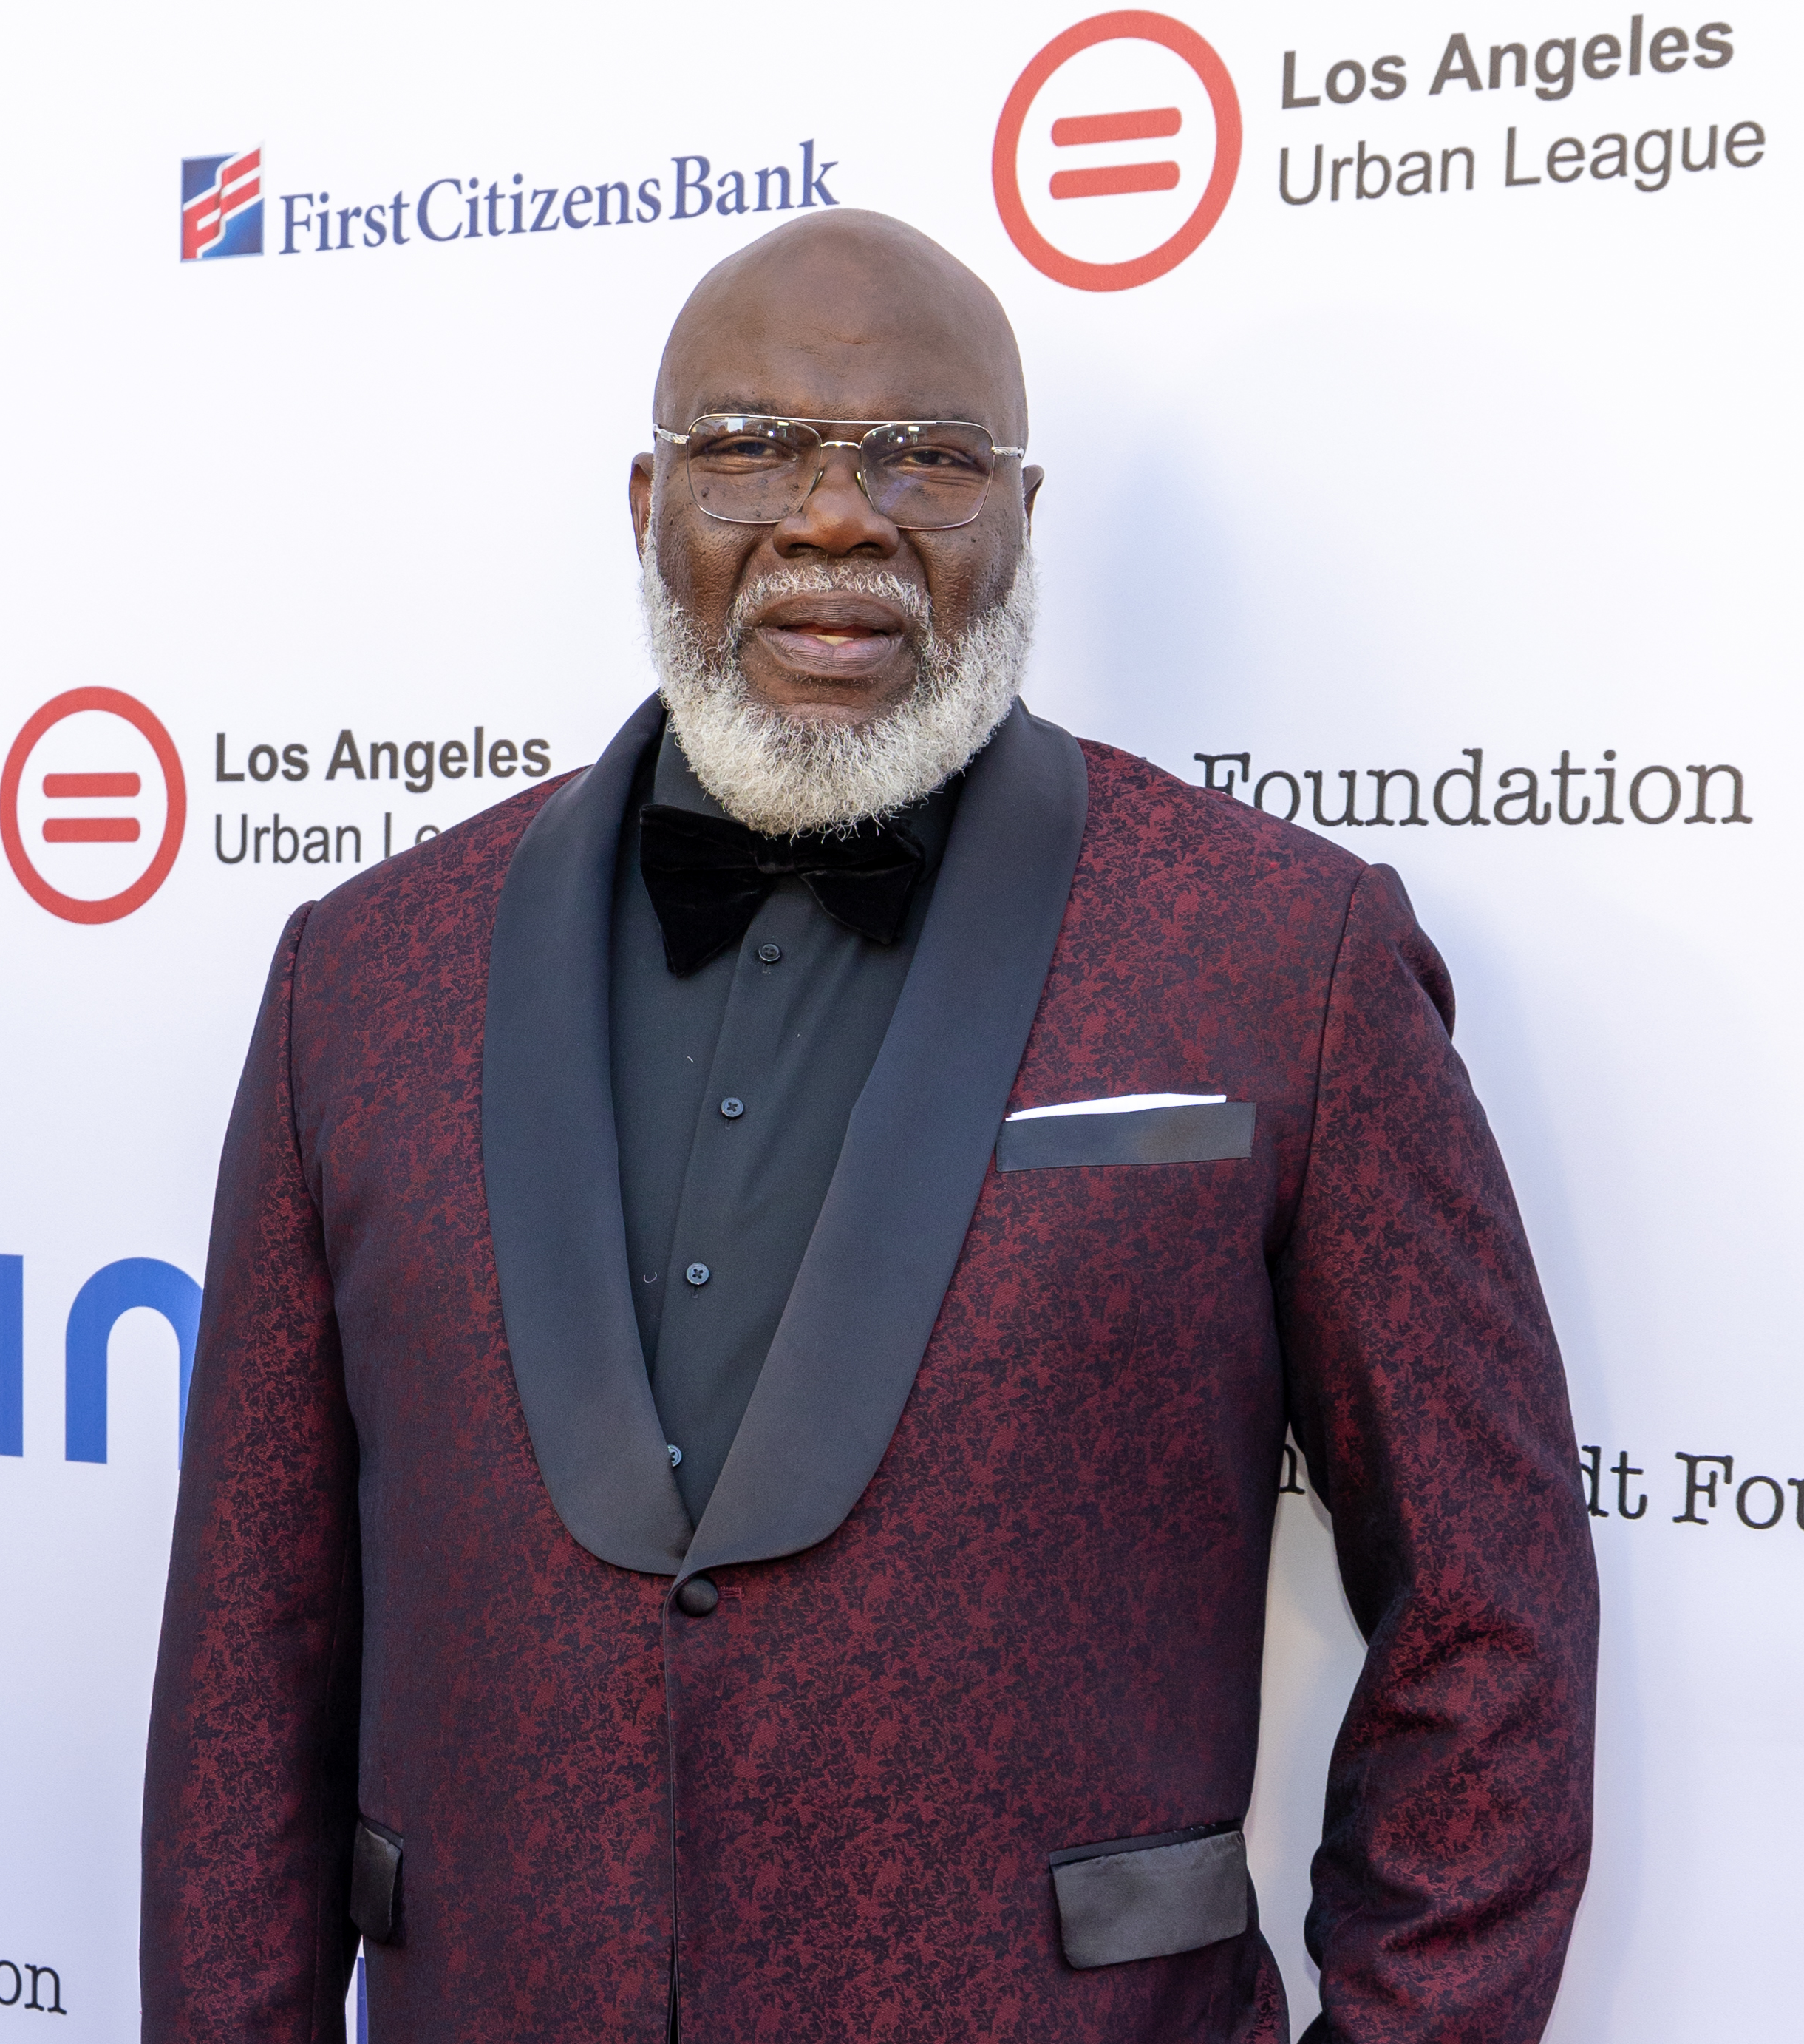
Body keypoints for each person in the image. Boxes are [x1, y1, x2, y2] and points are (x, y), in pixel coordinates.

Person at [141, 211, 1596, 2043]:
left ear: (1022, 512)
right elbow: (245, 1667)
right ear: (649, 499)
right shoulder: (358, 977)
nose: (838, 517)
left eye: (926, 454)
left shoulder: (1280, 952)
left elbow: (1495, 1618)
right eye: (751, 447)